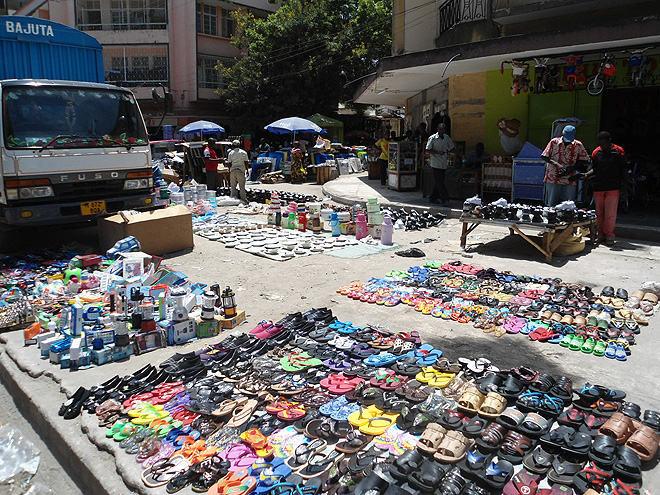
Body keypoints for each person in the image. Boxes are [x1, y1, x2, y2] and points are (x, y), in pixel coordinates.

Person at [577, 131, 628, 246]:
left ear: (609, 141)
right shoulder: (596, 152)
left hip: (613, 187)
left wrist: (624, 187)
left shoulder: (618, 151)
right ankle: (600, 234)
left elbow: (624, 170)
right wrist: (586, 174)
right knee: (599, 213)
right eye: (601, 144)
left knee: (610, 213)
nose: (603, 146)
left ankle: (609, 235)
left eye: (604, 144)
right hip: (598, 186)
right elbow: (594, 168)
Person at [541, 125, 590, 206]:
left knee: (569, 204)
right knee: (551, 203)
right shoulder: (554, 142)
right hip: (553, 177)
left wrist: (572, 168)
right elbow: (544, 156)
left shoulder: (578, 145)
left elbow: (583, 159)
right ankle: (550, 217)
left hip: (570, 178)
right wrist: (557, 164)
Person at [426, 123, 454, 205]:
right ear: (437, 129)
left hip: (443, 162)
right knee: (439, 182)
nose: (441, 131)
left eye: (443, 130)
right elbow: (428, 149)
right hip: (436, 163)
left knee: (439, 181)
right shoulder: (433, 138)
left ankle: (433, 197)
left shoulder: (446, 138)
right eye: (440, 129)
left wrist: (458, 154)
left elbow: (451, 147)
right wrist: (437, 152)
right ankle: (445, 199)